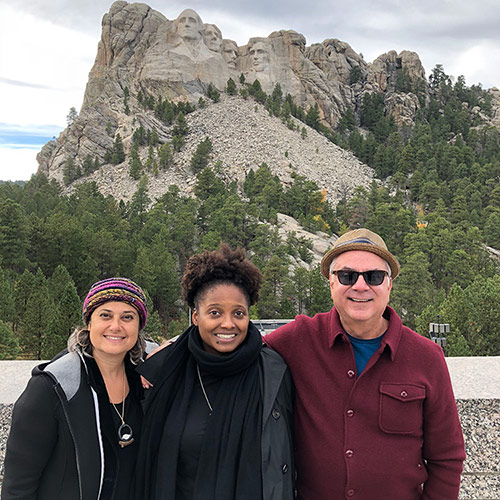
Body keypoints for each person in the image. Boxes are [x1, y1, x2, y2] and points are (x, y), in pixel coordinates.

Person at [264, 228, 465, 500]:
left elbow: (447, 456)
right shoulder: (298, 339)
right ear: (331, 283)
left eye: (374, 276)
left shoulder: (427, 357)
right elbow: (236, 351)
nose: (360, 286)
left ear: (389, 285)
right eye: (347, 276)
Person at [135, 244, 294, 500]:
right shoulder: (165, 371)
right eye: (215, 312)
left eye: (238, 313)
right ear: (196, 317)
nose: (228, 323)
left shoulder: (274, 373)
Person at [2, 277, 148, 500]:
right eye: (105, 315)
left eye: (128, 317)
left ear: (139, 326)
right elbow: (18, 485)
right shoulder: (52, 387)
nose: (116, 326)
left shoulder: (145, 378)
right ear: (89, 324)